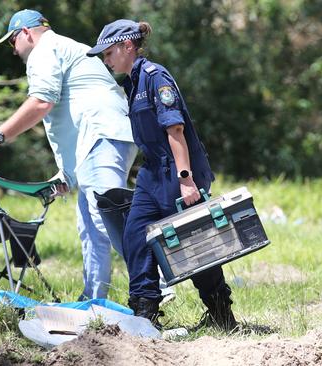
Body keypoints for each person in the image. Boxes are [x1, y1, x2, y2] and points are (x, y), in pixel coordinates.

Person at [0, 9, 138, 301]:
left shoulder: (44, 50)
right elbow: (72, 113)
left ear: (25, 33)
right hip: (101, 138)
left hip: (102, 136)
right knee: (90, 226)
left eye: (12, 42)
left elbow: (41, 103)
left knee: (107, 220)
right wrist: (68, 174)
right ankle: (94, 301)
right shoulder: (67, 47)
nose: (14, 51)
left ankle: (156, 287)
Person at [86, 19, 237, 331]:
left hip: (175, 172)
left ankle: (222, 314)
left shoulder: (156, 77)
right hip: (151, 173)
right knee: (135, 237)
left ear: (128, 46)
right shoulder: (131, 82)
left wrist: (186, 180)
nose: (106, 59)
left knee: (192, 244)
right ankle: (145, 317)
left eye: (109, 51)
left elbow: (175, 129)